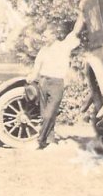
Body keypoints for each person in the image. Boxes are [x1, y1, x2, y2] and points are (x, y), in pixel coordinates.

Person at [26, 13, 85, 149]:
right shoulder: (43, 51)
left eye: (46, 36)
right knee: (44, 114)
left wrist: (82, 14)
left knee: (49, 113)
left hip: (56, 83)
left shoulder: (64, 46)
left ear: (53, 35)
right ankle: (50, 141)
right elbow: (36, 69)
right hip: (42, 83)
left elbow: (76, 31)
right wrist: (31, 77)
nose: (43, 38)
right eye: (43, 36)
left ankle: (39, 140)